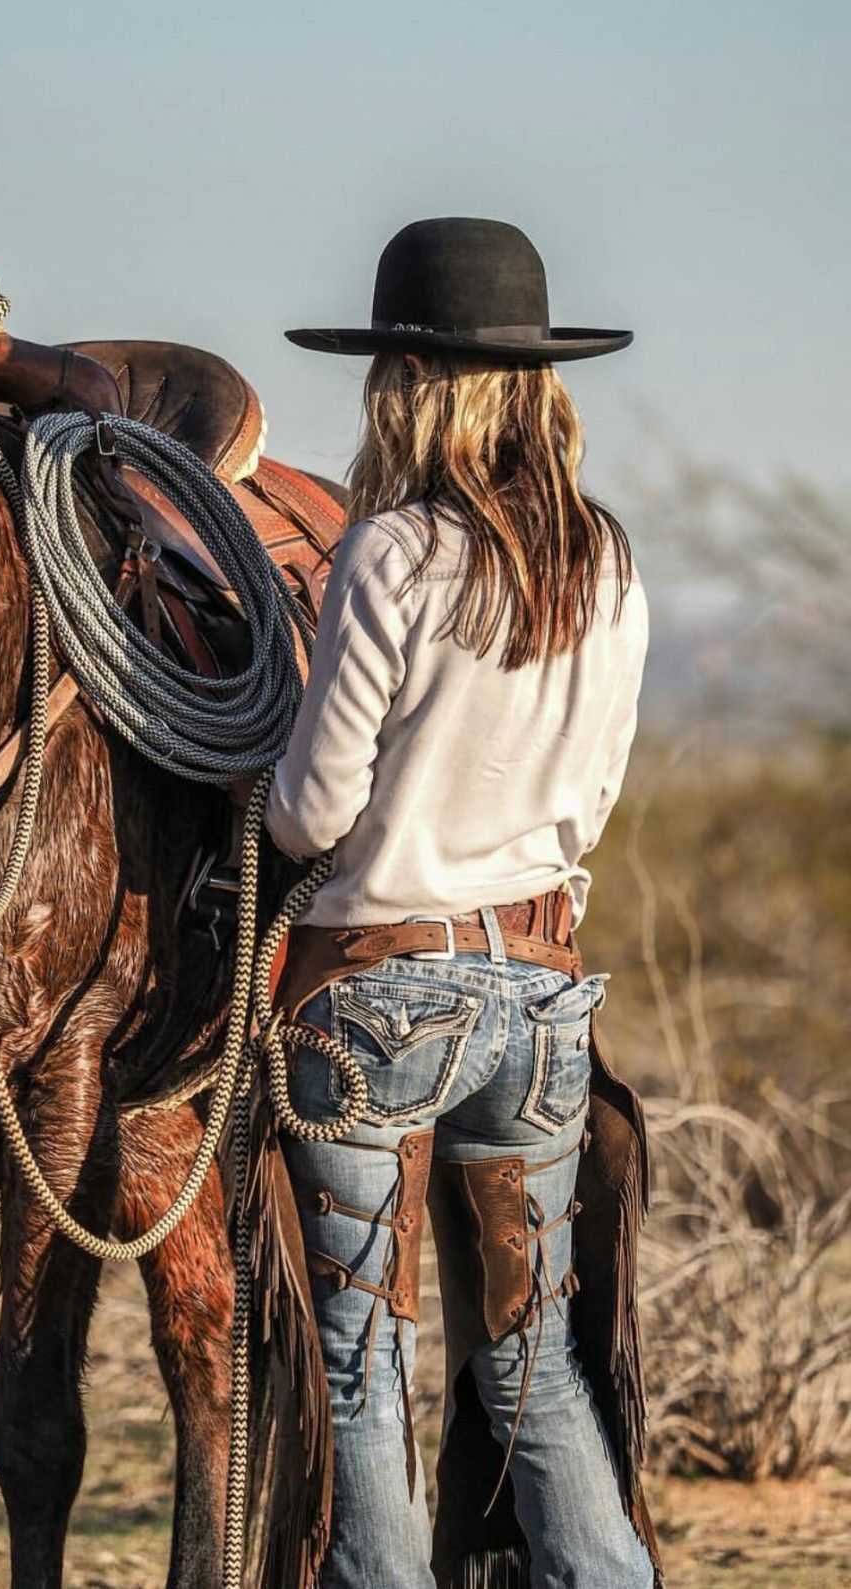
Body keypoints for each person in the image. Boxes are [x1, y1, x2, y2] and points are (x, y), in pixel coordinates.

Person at [265, 218, 661, 1588]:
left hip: (377, 998)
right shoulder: (609, 565)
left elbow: (313, 810)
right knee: (534, 1361)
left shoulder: (391, 553)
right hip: (545, 1000)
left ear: (414, 382)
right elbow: (591, 808)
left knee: (362, 1365)